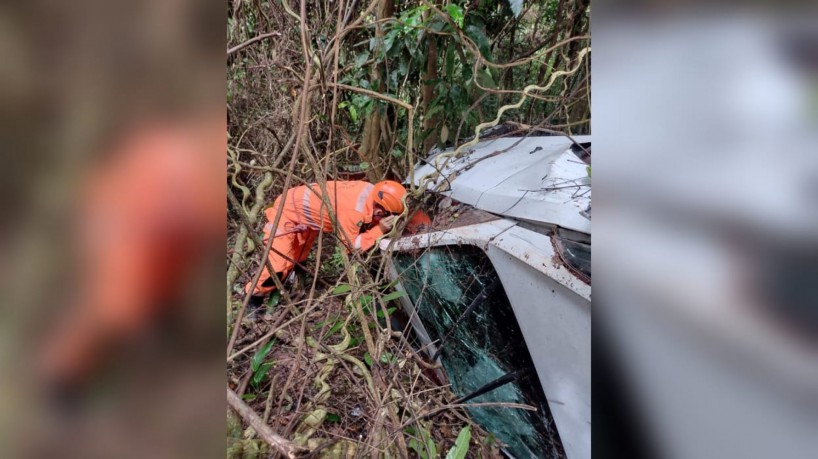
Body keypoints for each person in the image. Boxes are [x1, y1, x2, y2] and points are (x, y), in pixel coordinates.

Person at [246, 180, 408, 303]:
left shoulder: (371, 192)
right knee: (278, 266)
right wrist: (379, 230)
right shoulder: (354, 211)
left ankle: (293, 281)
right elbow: (350, 246)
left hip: (305, 215)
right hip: (287, 213)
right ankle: (253, 296)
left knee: (297, 258)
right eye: (387, 216)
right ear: (379, 210)